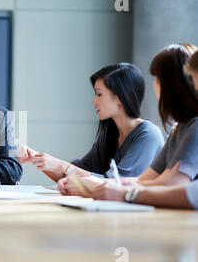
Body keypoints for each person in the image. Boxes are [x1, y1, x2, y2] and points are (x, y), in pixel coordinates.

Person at [59, 44, 198, 205]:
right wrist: (94, 184)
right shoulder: (178, 129)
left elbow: (171, 183)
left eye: (157, 79)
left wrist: (122, 192)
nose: (154, 85)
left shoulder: (159, 132)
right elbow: (145, 180)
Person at [19, 63, 164, 182]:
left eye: (99, 94)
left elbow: (117, 184)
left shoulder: (149, 135)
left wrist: (62, 166)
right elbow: (73, 177)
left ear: (120, 97)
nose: (94, 101)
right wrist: (36, 158)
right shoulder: (109, 136)